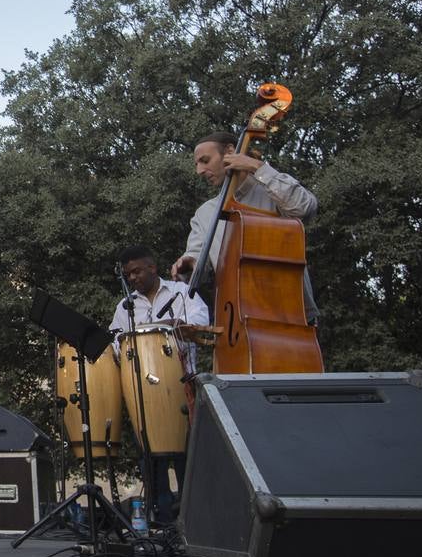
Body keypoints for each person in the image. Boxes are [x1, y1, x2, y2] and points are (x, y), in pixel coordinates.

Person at [170, 131, 319, 323]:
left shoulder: (271, 192)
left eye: (205, 160)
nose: (199, 170)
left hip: (291, 316)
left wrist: (258, 167)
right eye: (197, 164)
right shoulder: (205, 214)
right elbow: (198, 260)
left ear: (230, 152)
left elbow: (305, 207)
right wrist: (189, 263)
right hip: (235, 322)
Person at [111, 245, 209, 524]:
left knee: (186, 460)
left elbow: (202, 322)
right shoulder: (125, 306)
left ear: (152, 268)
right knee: (151, 462)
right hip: (143, 392)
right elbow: (115, 343)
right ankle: (160, 521)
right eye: (128, 274)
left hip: (182, 385)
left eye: (137, 271)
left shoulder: (182, 293)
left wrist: (170, 325)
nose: (132, 278)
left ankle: (196, 522)